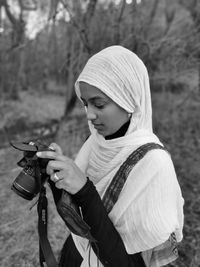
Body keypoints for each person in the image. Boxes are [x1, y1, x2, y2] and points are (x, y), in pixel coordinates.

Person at [37, 45, 184, 267]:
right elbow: (78, 218)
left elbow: (124, 262)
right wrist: (58, 177)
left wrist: (85, 190)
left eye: (99, 104)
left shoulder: (154, 163)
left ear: (129, 100)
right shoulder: (96, 142)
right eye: (86, 104)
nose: (89, 114)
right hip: (75, 253)